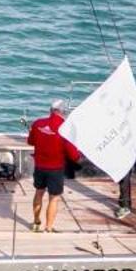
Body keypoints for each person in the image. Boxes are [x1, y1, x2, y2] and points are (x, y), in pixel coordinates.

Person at [26, 98, 84, 233]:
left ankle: (36, 222)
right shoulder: (65, 129)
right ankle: (49, 227)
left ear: (50, 110)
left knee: (39, 193)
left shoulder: (38, 123)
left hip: (39, 166)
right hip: (56, 169)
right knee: (54, 198)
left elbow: (30, 141)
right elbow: (74, 155)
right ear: (63, 112)